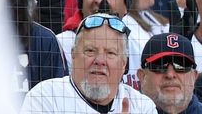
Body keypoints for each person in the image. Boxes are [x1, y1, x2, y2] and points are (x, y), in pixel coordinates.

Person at [22, 16, 156, 113]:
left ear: (123, 64)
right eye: (90, 51)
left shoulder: (141, 106)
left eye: (110, 53)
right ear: (73, 55)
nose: (100, 60)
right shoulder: (45, 96)